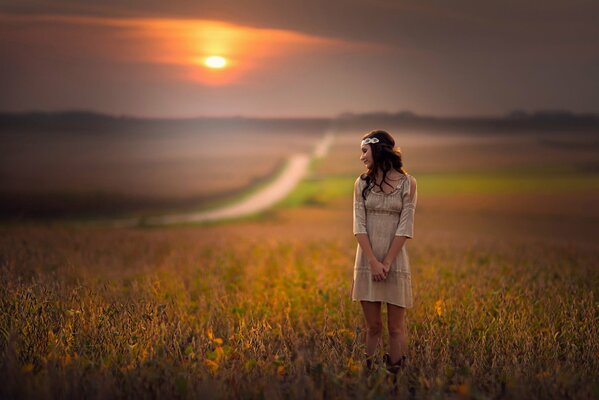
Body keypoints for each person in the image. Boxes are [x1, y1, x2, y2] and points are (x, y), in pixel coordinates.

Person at [352, 129, 417, 376]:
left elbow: (406, 224)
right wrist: (373, 262)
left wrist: (387, 262)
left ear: (378, 150)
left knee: (396, 328)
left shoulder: (408, 183)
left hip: (395, 259)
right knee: (374, 327)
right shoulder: (361, 183)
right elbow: (358, 225)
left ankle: (396, 377)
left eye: (364, 151)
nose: (361, 157)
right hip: (367, 258)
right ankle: (369, 375)